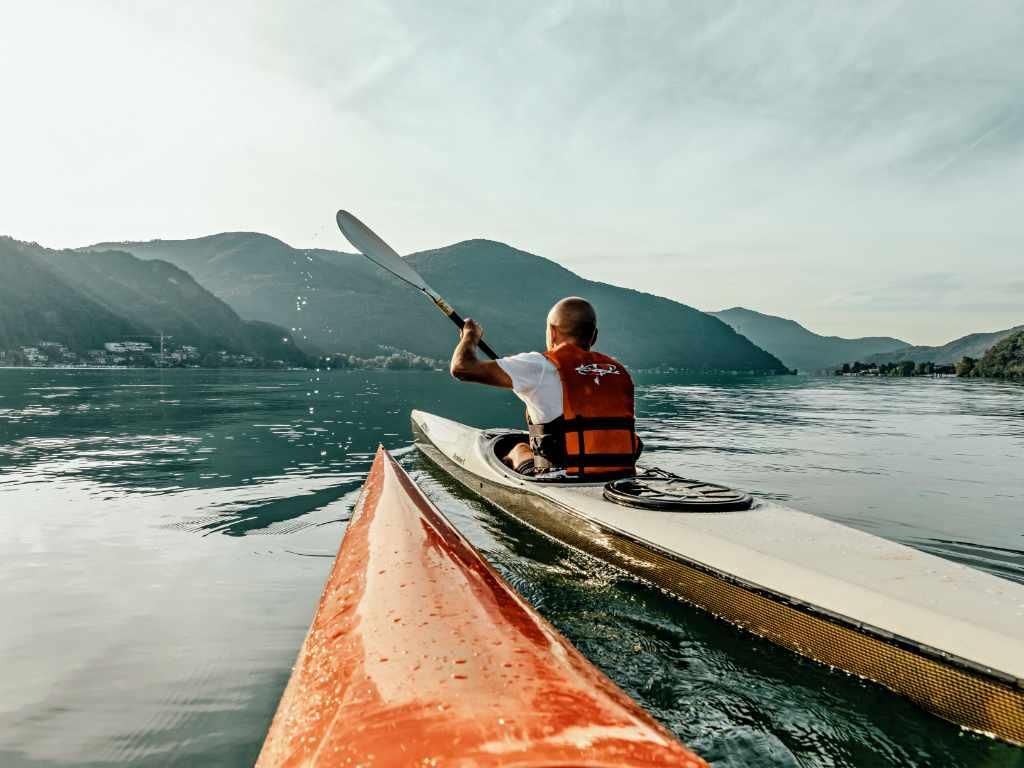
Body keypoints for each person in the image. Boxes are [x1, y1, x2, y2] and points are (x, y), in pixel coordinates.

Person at [450, 296, 640, 478]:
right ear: (594, 336)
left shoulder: (540, 365)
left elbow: (462, 368)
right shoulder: (617, 371)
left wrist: (470, 336)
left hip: (563, 478)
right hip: (621, 475)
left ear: (552, 331)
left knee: (519, 450)